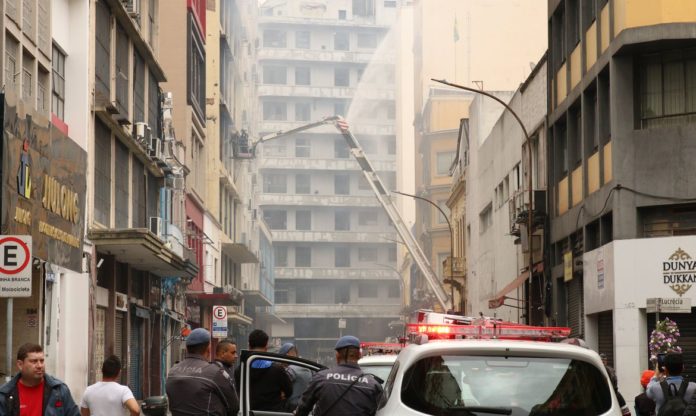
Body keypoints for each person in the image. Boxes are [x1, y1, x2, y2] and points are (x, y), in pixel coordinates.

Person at [294, 335, 383, 416]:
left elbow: (302, 409)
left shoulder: (321, 378)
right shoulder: (373, 385)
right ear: (359, 355)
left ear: (337, 355)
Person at [166, 328, 238, 416]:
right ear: (208, 349)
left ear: (187, 348)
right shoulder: (215, 372)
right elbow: (234, 407)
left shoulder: (173, 371)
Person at [0, 342, 80, 416]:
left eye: (42, 361)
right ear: (20, 364)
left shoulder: (59, 390)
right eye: (34, 361)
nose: (39, 366)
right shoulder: (4, 394)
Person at [234, 329, 292, 412]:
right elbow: (289, 391)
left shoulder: (240, 370)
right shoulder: (277, 369)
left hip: (249, 412)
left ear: (249, 346)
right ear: (266, 347)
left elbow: (239, 393)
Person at [279, 343, 312, 410]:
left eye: (281, 360)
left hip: (292, 408)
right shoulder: (306, 366)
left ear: (287, 355)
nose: (281, 364)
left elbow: (281, 389)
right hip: (305, 407)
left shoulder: (291, 369)